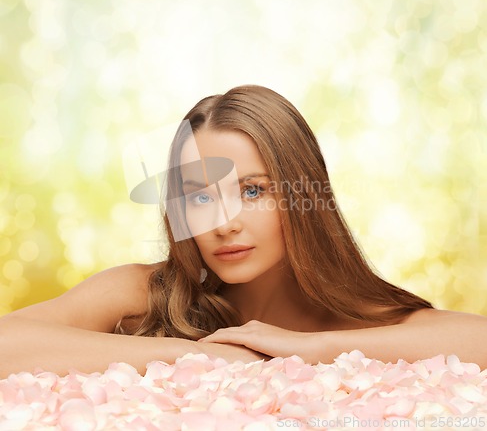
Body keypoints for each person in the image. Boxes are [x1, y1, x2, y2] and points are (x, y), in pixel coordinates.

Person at [0, 85, 486, 379]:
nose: (223, 221)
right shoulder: (142, 293)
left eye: (253, 191)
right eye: (200, 196)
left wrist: (312, 349)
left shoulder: (355, 322)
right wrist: (194, 358)